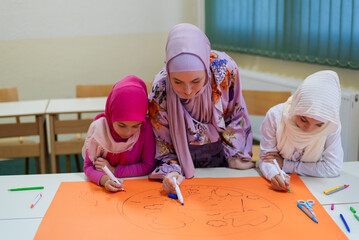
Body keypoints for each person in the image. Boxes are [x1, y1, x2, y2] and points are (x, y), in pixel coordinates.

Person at [148, 23, 254, 193]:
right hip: (182, 165)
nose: (188, 91)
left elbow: (236, 114)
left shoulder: (224, 70)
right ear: (168, 72)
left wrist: (235, 156)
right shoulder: (160, 89)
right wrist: (171, 171)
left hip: (224, 160)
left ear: (206, 68)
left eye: (196, 81)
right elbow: (163, 143)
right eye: (177, 82)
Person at [258, 70, 343, 191]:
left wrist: (286, 165)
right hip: (297, 183)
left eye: (318, 125)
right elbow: (266, 159)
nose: (308, 129)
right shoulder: (275, 116)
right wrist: (273, 174)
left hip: (313, 188)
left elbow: (333, 167)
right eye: (303, 119)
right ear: (296, 106)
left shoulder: (331, 126)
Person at [82, 75, 155, 192]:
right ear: (111, 115)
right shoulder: (99, 130)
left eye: (136, 126)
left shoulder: (145, 128)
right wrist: (105, 179)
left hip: (138, 190)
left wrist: (114, 170)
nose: (128, 132)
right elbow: (88, 167)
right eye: (121, 125)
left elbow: (148, 165)